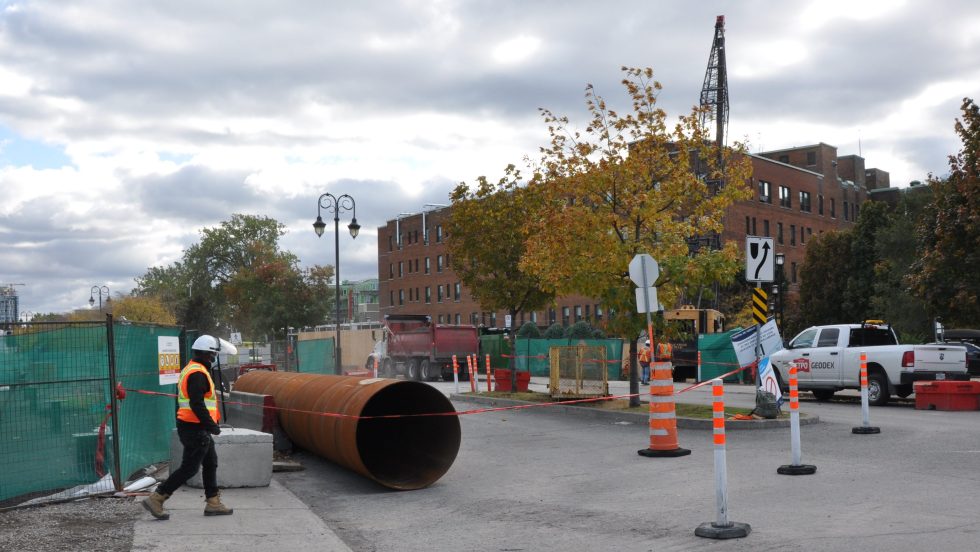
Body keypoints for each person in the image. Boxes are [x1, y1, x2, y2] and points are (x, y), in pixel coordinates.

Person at [143, 335, 233, 520]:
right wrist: (211, 426)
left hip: (195, 427)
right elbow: (197, 404)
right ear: (209, 355)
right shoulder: (198, 373)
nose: (214, 359)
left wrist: (209, 426)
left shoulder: (192, 369)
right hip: (195, 428)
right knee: (189, 468)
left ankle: (213, 502)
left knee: (210, 462)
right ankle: (157, 497)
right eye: (213, 355)